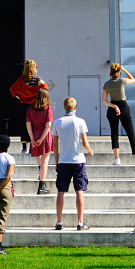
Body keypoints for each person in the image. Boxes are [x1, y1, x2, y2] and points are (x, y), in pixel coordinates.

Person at [52, 96, 93, 231]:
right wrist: (90, 150)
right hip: (78, 160)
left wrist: (57, 162)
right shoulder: (80, 122)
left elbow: (55, 145)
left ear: (64, 107)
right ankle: (80, 222)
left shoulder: (57, 122)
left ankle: (59, 222)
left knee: (61, 191)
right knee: (79, 191)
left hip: (64, 160)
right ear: (75, 107)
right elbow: (85, 143)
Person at [101, 63, 135, 167]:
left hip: (112, 108)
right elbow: (133, 79)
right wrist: (124, 69)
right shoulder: (121, 80)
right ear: (119, 72)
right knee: (130, 133)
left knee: (114, 133)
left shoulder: (106, 84)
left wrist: (114, 106)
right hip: (123, 107)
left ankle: (117, 159)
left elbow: (104, 100)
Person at [10, 59, 53, 153]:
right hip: (34, 105)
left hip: (24, 105)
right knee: (35, 124)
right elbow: (45, 87)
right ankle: (36, 143)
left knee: (24, 124)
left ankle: (24, 147)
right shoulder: (37, 78)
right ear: (34, 68)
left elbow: (12, 89)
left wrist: (19, 97)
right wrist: (37, 95)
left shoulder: (21, 79)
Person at [26, 88, 54, 194]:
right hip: (45, 135)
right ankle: (41, 186)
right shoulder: (48, 108)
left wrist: (33, 139)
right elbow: (48, 125)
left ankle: (41, 175)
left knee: (39, 159)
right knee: (45, 161)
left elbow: (28, 125)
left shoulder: (30, 108)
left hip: (35, 132)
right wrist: (41, 139)